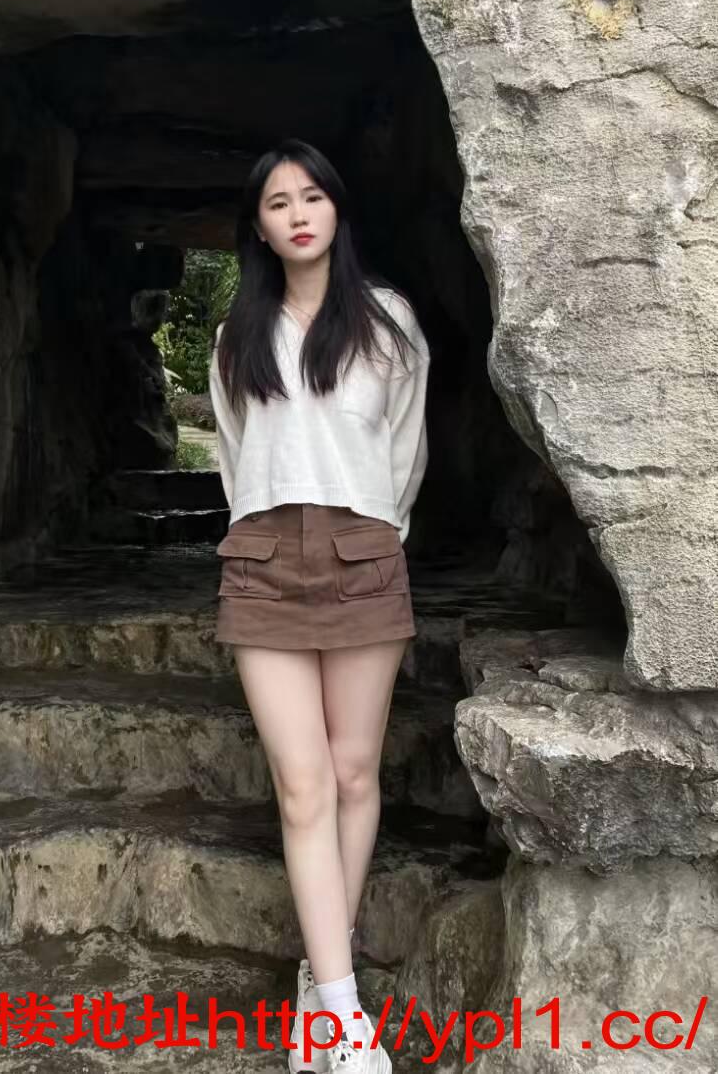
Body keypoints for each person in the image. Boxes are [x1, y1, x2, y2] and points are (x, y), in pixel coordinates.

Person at [207, 139, 430, 1074]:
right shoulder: (238, 334)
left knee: (352, 772)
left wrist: (378, 535)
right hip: (264, 559)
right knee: (301, 784)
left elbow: (407, 449)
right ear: (258, 228)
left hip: (364, 548)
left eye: (311, 197)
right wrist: (265, 531)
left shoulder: (387, 322)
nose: (298, 214)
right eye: (277, 203)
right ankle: (342, 1015)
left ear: (337, 208)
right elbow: (232, 456)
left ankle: (320, 981)